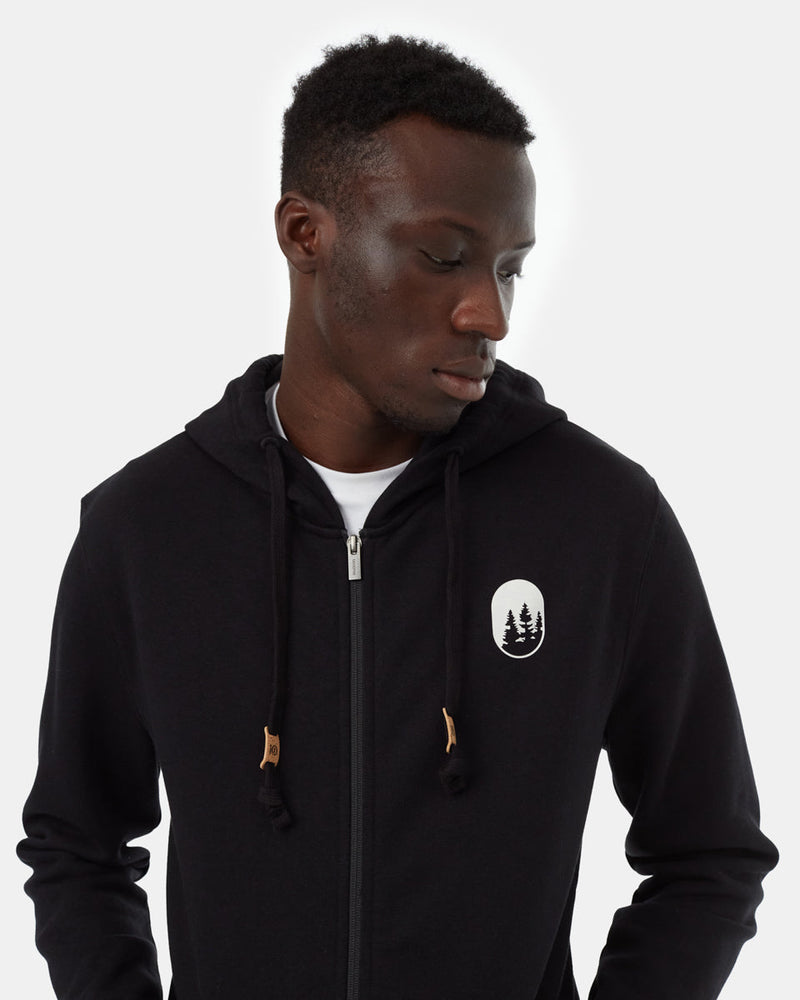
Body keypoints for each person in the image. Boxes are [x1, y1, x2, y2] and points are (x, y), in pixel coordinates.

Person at [18, 34, 777, 1000]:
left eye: (509, 268)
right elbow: (78, 844)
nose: (490, 315)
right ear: (306, 234)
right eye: (444, 258)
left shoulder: (601, 521)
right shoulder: (145, 529)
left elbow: (709, 852)